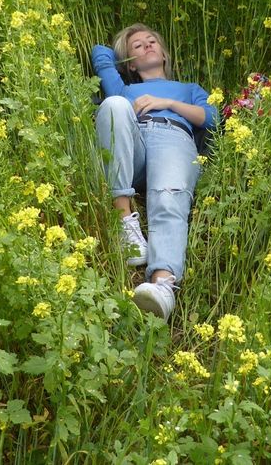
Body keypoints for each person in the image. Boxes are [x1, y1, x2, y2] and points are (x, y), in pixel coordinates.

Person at [92, 24, 218, 320]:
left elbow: (211, 118)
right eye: (137, 46)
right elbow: (100, 53)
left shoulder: (188, 89)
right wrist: (123, 51)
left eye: (152, 42)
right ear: (130, 64)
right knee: (113, 105)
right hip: (132, 143)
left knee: (168, 197)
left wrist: (168, 103)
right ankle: (125, 221)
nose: (147, 45)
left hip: (172, 137)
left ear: (164, 54)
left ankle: (163, 283)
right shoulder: (125, 88)